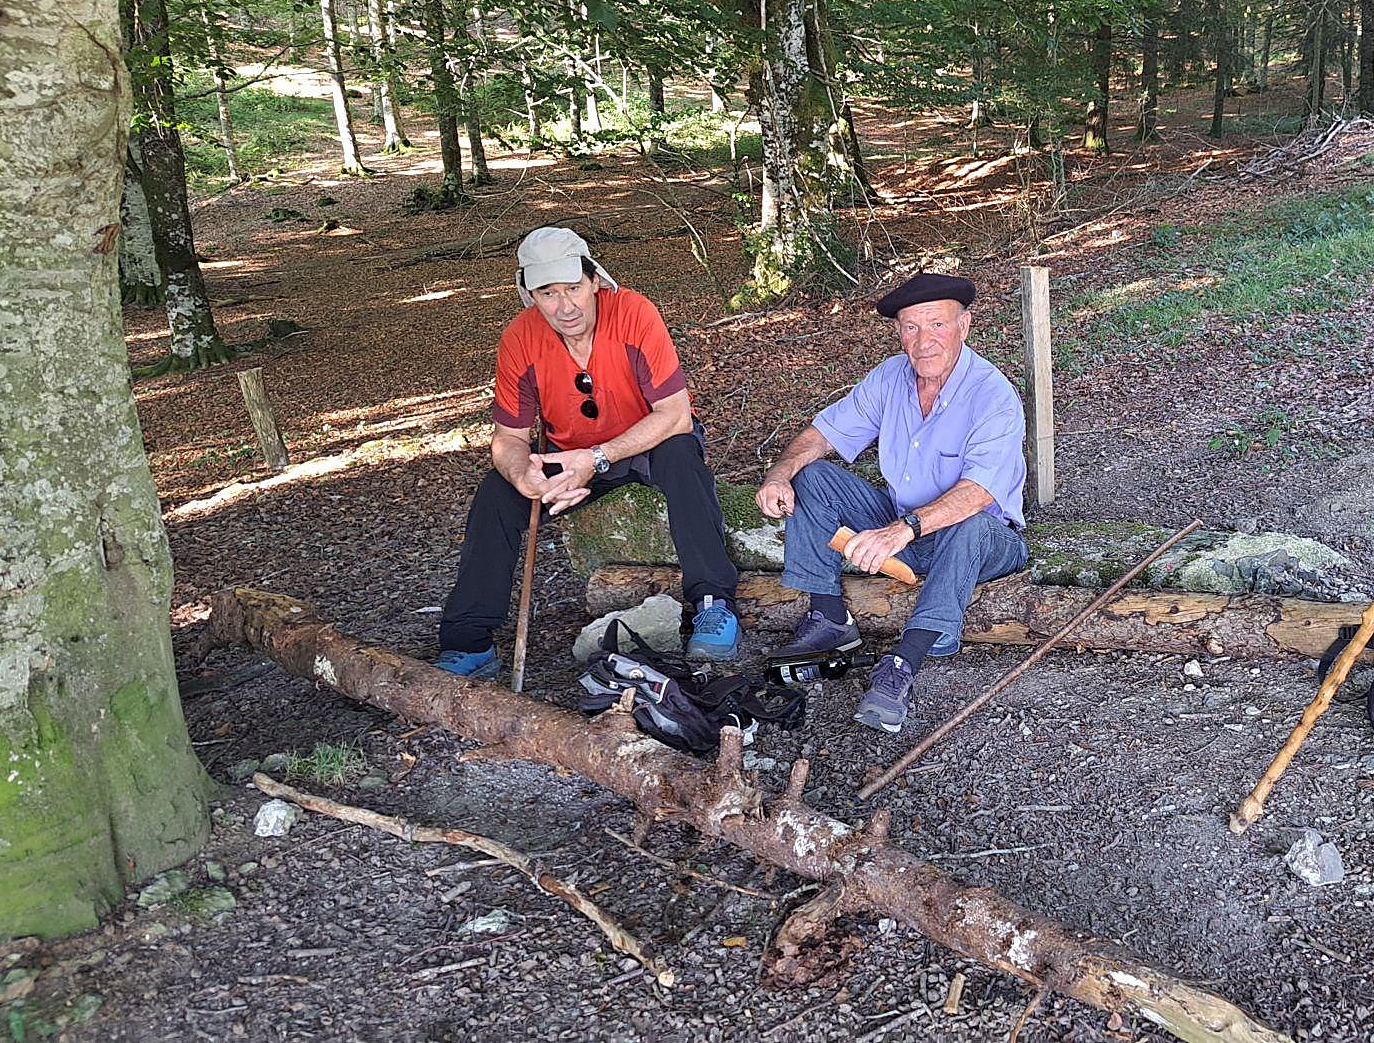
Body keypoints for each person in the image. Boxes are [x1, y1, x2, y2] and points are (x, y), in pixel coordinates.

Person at [433, 227, 742, 677]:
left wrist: (596, 459)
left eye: (573, 288)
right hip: (569, 453)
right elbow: (509, 438)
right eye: (548, 293)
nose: (566, 306)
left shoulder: (635, 314)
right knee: (497, 493)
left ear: (594, 279)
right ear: (530, 295)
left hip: (645, 442)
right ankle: (469, 639)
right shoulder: (520, 339)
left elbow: (674, 415)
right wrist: (524, 477)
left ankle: (713, 602)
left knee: (682, 458)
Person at [756, 273, 1028, 732]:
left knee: (971, 522)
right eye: (910, 327)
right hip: (904, 522)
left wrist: (902, 530)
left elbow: (978, 493)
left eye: (936, 325)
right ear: (898, 332)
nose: (923, 341)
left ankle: (903, 662)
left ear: (964, 325)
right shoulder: (890, 377)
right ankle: (829, 617)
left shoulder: (992, 394)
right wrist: (779, 474)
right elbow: (823, 436)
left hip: (982, 538)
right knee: (815, 476)